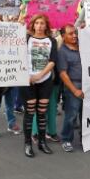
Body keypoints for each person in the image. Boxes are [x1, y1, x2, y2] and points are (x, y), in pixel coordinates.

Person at [23, 14, 58, 157]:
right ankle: (27, 144)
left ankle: (42, 142)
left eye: (42, 23)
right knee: (30, 112)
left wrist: (40, 75)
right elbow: (17, 56)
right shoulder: (26, 39)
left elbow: (52, 60)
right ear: (32, 24)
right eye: (36, 23)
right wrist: (27, 75)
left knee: (42, 112)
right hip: (27, 81)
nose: (39, 26)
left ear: (46, 25)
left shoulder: (51, 40)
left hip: (45, 79)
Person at [56, 24, 83, 152]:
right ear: (63, 36)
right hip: (73, 85)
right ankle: (66, 139)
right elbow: (63, 74)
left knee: (86, 115)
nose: (74, 36)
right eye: (70, 34)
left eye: (75, 33)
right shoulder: (62, 52)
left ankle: (86, 138)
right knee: (71, 116)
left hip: (87, 84)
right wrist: (75, 90)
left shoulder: (82, 47)